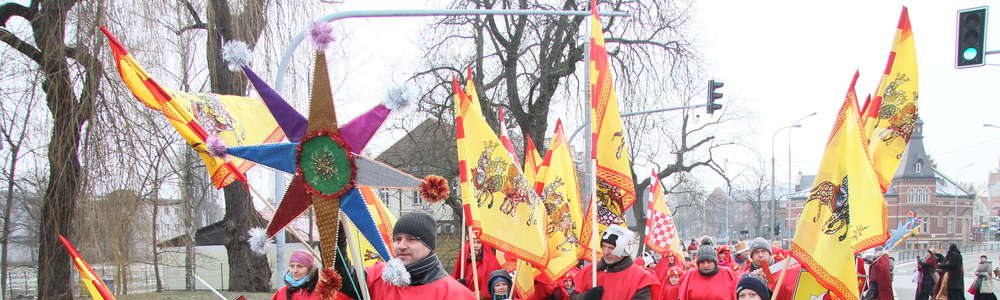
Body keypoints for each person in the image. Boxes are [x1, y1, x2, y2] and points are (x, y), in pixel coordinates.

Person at [364, 212, 476, 299]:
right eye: (398, 239)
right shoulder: (380, 276)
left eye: (411, 239)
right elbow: (348, 279)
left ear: (429, 246)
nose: (401, 246)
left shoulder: (454, 293)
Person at [572, 225, 659, 300]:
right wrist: (585, 297)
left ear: (624, 250)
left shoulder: (640, 278)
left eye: (611, 248)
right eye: (604, 246)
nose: (606, 252)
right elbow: (572, 297)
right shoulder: (590, 271)